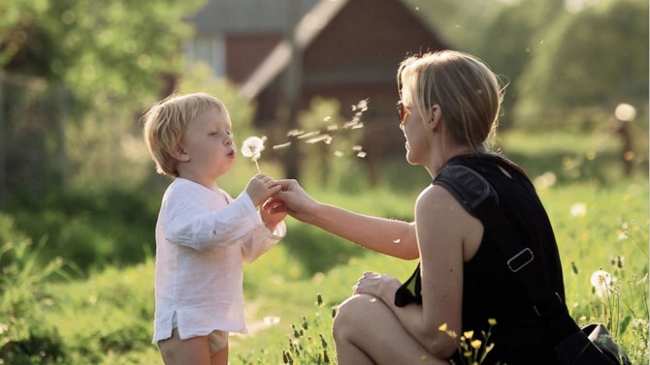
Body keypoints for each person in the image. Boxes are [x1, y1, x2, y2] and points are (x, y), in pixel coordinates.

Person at [275, 50, 567, 364]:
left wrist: (388, 290)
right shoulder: (505, 177)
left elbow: (440, 338)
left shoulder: (440, 201)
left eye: (404, 109)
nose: (401, 121)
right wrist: (312, 210)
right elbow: (410, 238)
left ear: (433, 116)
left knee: (354, 317)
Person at [143, 92, 288, 365]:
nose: (227, 138)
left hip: (214, 315)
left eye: (228, 131)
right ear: (181, 150)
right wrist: (247, 203)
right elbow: (205, 235)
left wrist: (266, 223)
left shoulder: (220, 197)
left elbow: (243, 249)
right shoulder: (180, 195)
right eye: (213, 133)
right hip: (185, 322)